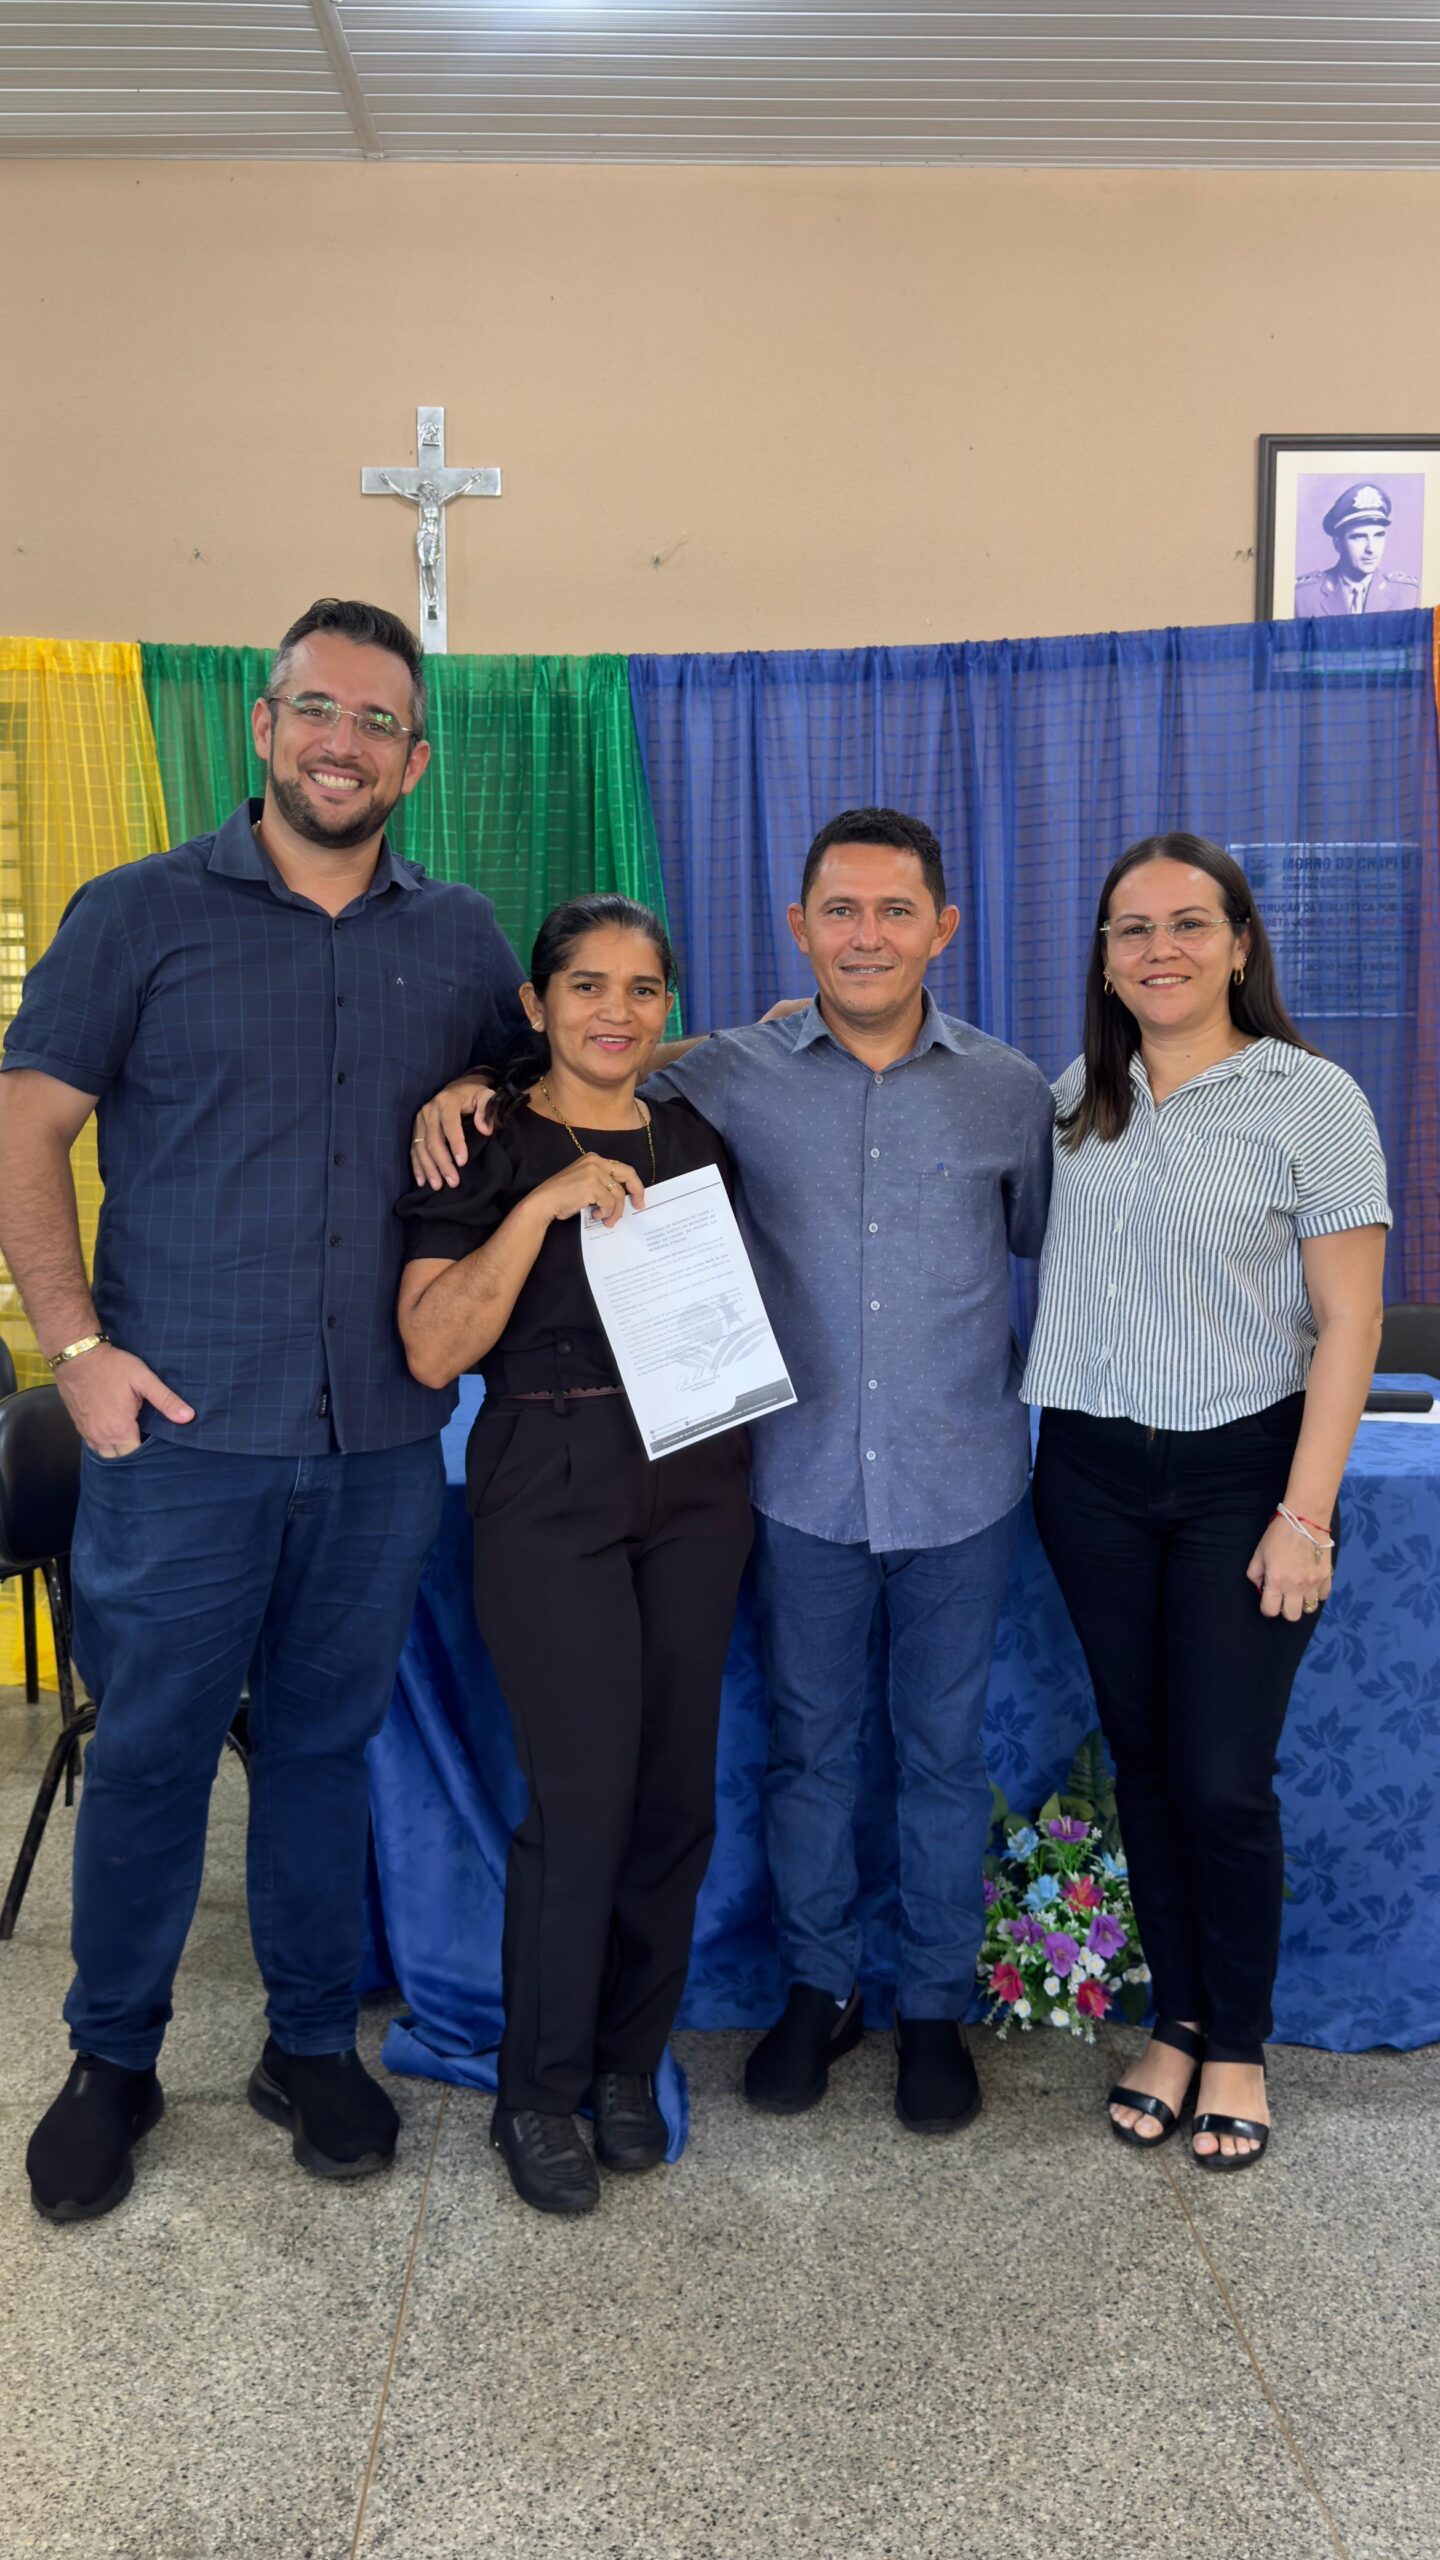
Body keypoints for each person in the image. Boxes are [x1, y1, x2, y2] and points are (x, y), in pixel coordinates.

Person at [0, 596, 534, 2224]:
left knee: (321, 1751)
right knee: (155, 1754)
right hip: (179, 1437)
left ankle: (307, 2045)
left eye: (377, 721)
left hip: (379, 1442)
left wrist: (487, 1081)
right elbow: (26, 1130)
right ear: (264, 725)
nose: (341, 742)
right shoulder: (137, 913)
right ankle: (112, 2059)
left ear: (414, 759)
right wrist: (74, 1347)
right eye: (317, 709)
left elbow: (546, 1087)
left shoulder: (461, 937)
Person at [412, 808, 1055, 2138]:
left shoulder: (1002, 1090)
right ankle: (813, 1992)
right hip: (784, 1481)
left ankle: (929, 2007)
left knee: (928, 1757)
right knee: (798, 1754)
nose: (866, 936)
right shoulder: (726, 1078)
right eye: (840, 910)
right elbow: (589, 1062)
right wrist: (478, 1077)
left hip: (937, 1483)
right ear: (798, 927)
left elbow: (1053, 1248)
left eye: (894, 910)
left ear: (943, 927)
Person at [1023, 831, 1389, 2172]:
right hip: (1088, 1477)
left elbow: (1351, 1325)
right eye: (1132, 928)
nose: (1159, 949)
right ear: (1104, 959)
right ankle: (1175, 2022)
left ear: (1240, 944)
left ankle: (1238, 2042)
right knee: (1147, 1762)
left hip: (1247, 1477)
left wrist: (1306, 1514)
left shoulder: (1313, 1099)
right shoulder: (1078, 1097)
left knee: (1225, 1778)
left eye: (1189, 923)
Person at [396, 896, 754, 2218]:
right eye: (587, 985)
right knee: (586, 1800)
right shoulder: (480, 1140)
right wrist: (540, 1206)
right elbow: (431, 1349)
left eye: (642, 989)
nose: (615, 1010)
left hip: (699, 1476)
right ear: (535, 1003)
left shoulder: (696, 1133)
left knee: (675, 1801)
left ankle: (625, 2062)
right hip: (548, 1482)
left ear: (667, 1009)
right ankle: (536, 2094)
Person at [1293, 482, 1419, 617]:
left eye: (1378, 535)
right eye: (1359, 537)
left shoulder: (1408, 594)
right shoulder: (1303, 596)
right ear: (1338, 544)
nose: (1371, 548)